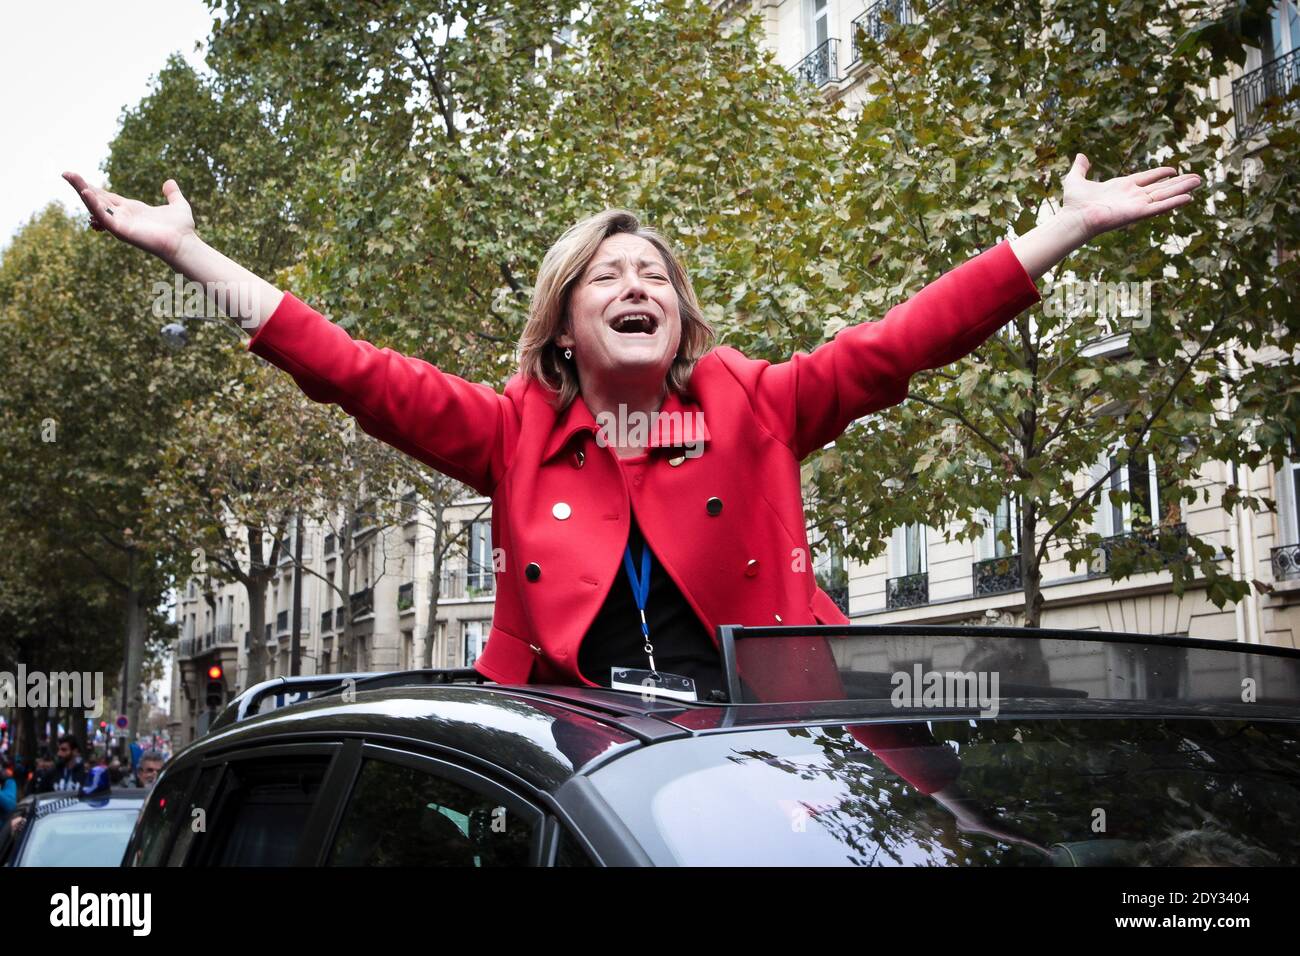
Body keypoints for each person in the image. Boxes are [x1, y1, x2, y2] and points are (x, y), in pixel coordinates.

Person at [63, 156, 1199, 706]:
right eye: (607, 273)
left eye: (652, 271)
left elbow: (902, 341)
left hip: (769, 747)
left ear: (679, 311)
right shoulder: (509, 430)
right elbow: (348, 368)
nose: (635, 280)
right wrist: (185, 254)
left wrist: (1056, 231)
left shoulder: (751, 403)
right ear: (564, 323)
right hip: (579, 767)